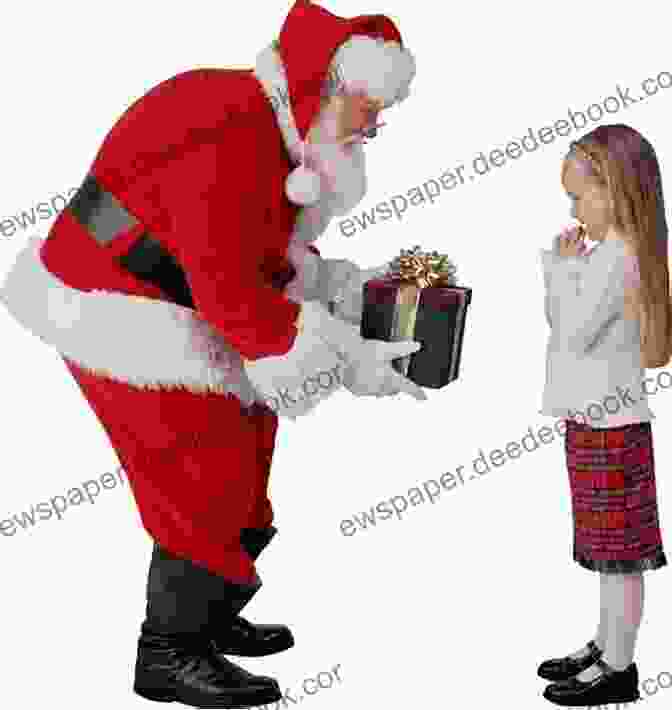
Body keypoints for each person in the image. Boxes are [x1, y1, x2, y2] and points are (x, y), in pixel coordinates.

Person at [0, 2, 421, 707]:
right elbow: (234, 294)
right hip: (117, 308)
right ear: (327, 90)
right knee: (202, 467)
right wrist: (352, 362)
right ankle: (169, 652)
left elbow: (259, 255)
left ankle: (208, 615)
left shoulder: (281, 134)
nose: (375, 127)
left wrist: (335, 292)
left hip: (180, 295)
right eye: (369, 109)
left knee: (251, 442)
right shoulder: (229, 131)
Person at [536, 124, 669, 707]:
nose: (573, 209)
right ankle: (606, 643)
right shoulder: (606, 255)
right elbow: (562, 327)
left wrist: (560, 267)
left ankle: (620, 664)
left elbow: (571, 330)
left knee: (620, 558)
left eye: (579, 196)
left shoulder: (617, 259)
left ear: (614, 192)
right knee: (607, 554)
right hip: (595, 422)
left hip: (610, 428)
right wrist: (568, 269)